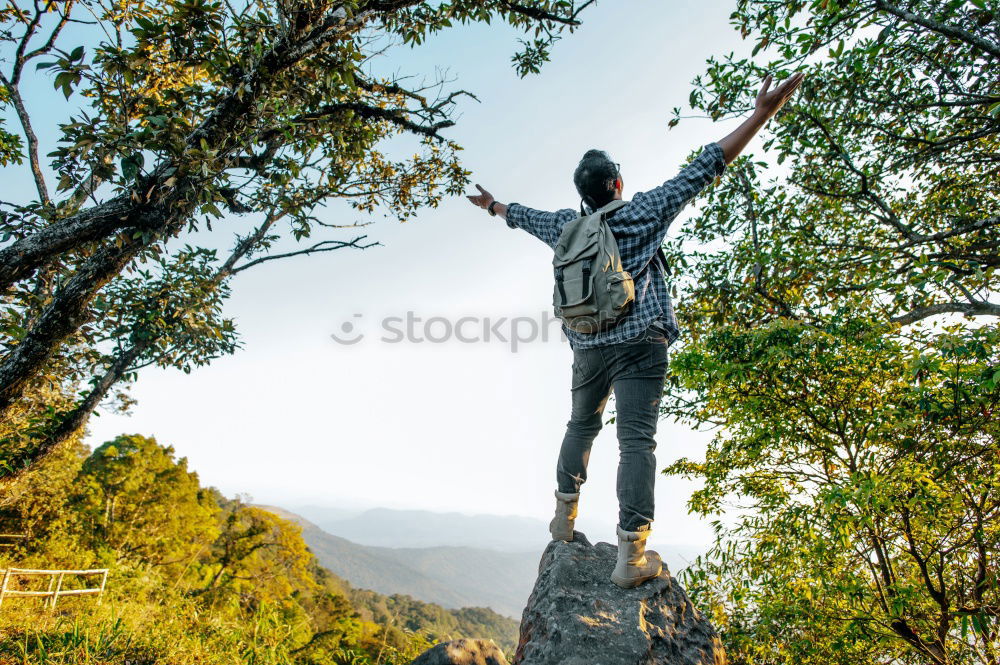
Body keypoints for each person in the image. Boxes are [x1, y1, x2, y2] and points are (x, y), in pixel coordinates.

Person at [467, 73, 805, 588]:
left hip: (587, 348)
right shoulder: (644, 211)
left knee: (580, 426)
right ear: (617, 185)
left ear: (582, 195)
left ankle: (563, 518)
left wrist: (493, 205)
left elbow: (521, 215)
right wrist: (761, 114)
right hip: (642, 345)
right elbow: (707, 164)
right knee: (636, 444)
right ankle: (631, 557)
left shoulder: (564, 226)